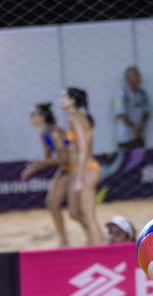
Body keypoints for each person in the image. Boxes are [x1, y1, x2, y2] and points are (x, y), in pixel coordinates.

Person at [20, 103, 73, 247]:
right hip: (66, 168)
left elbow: (64, 158)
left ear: (42, 117)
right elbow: (50, 159)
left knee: (70, 209)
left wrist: (37, 166)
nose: (31, 118)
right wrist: (35, 166)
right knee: (52, 203)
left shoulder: (55, 133)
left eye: (33, 115)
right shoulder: (44, 134)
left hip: (74, 168)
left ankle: (65, 240)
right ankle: (63, 239)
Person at [61, 87, 102, 245]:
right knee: (74, 212)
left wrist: (78, 179)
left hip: (86, 170)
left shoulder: (76, 119)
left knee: (88, 215)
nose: (61, 100)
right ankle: (94, 239)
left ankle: (100, 248)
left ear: (72, 101)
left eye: (64, 97)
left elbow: (84, 149)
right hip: (78, 170)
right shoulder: (74, 118)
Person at [113, 66, 150, 150]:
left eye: (139, 75)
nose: (139, 78)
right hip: (125, 138)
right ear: (128, 79)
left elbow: (147, 111)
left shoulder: (143, 93)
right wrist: (134, 127)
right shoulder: (119, 94)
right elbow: (120, 113)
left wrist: (141, 126)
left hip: (139, 137)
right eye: (136, 75)